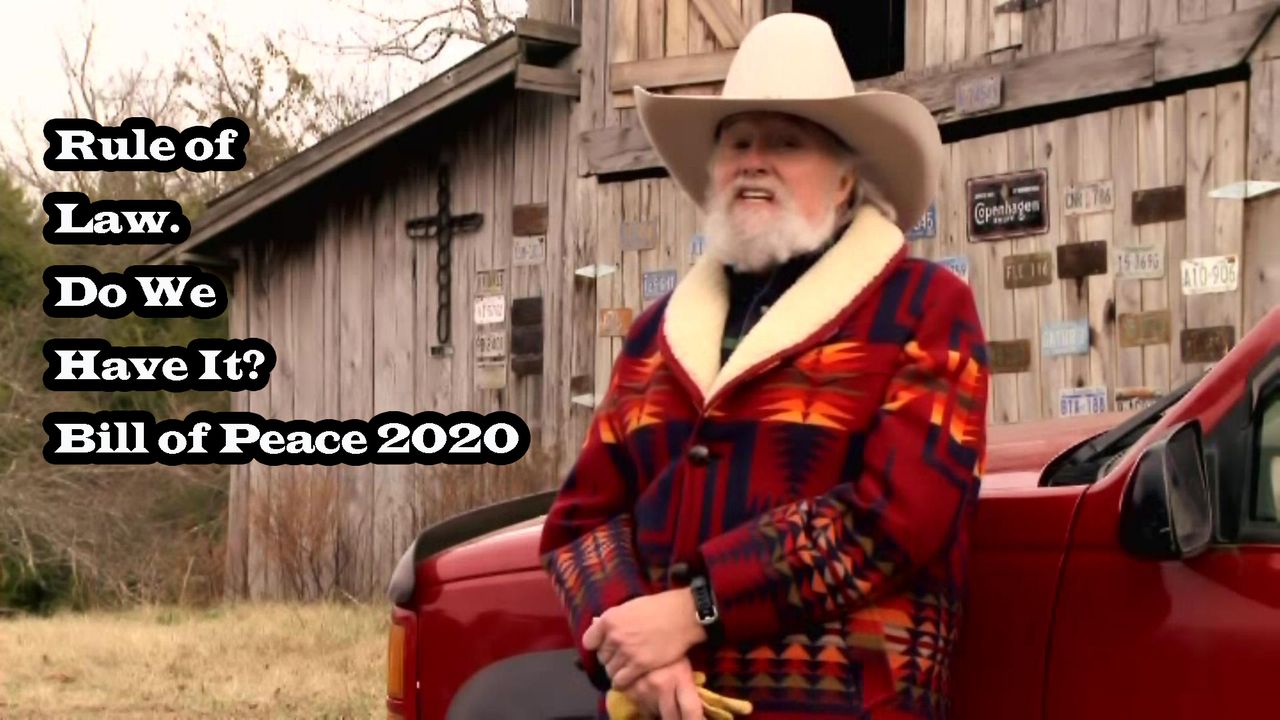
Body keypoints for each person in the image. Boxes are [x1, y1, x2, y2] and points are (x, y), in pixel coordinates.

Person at [538, 13, 990, 720]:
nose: (754, 160)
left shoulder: (925, 308)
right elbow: (580, 521)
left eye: (786, 142)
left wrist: (697, 607)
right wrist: (633, 649)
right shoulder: (656, 333)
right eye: (738, 142)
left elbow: (900, 517)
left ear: (845, 181)